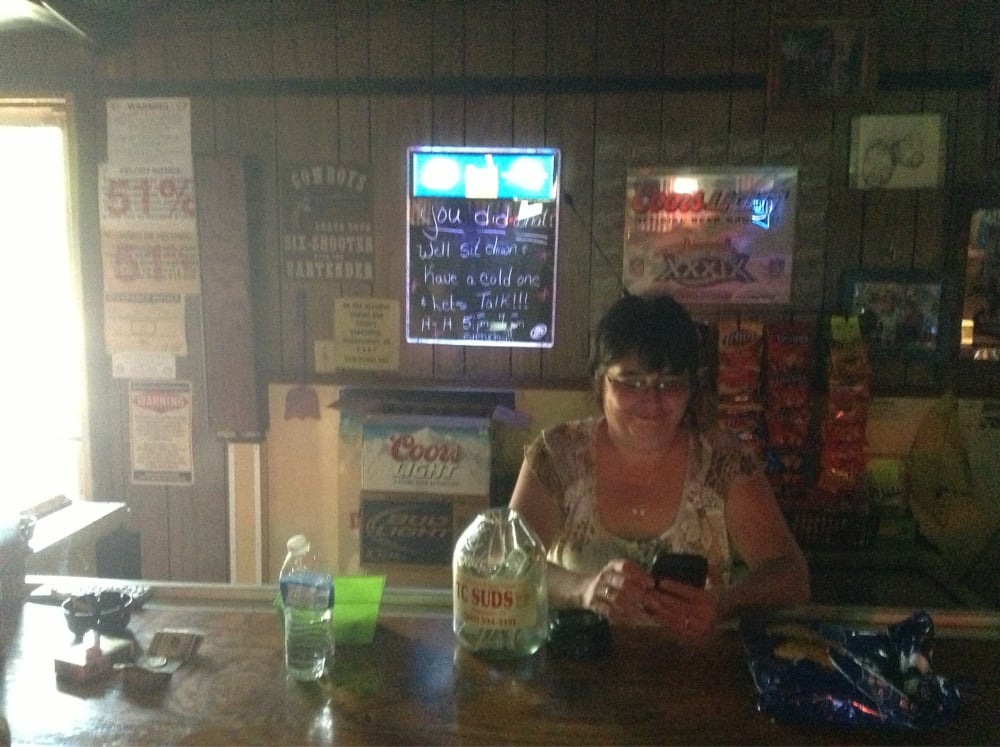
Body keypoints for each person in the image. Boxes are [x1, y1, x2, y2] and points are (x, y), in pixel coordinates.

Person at [508, 293, 810, 644]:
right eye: (631, 382)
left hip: (692, 671)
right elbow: (508, 562)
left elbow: (792, 577)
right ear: (600, 381)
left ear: (691, 387)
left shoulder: (724, 462)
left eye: (669, 383)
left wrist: (725, 603)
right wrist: (583, 589)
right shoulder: (557, 455)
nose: (651, 402)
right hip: (574, 666)